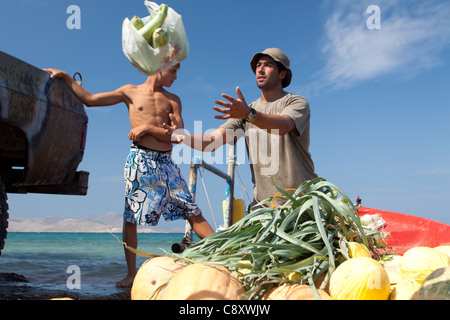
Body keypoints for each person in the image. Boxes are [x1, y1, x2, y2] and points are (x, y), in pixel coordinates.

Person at [44, 65, 214, 287]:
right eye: (173, 70)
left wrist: (148, 129)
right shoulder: (130, 92)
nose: (176, 76)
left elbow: (178, 136)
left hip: (166, 163)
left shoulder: (173, 99)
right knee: (131, 218)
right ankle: (131, 274)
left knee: (192, 210)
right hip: (140, 160)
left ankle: (223, 258)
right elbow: (90, 99)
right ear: (158, 65)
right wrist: (66, 77)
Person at [167, 48, 317, 210]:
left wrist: (248, 114)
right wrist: (183, 136)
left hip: (301, 203)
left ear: (282, 74)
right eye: (258, 65)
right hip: (264, 206)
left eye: (268, 65)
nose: (260, 69)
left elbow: (283, 125)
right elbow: (212, 142)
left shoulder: (295, 103)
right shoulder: (246, 111)